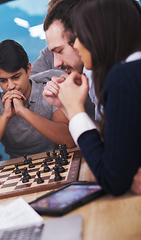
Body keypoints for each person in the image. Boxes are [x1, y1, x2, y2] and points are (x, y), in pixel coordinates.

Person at [43, 0, 141, 196]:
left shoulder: (122, 77)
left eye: (79, 35)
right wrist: (68, 108)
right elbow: (116, 142)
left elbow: (113, 178)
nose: (76, 44)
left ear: (100, 34)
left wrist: (76, 112)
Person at [0, 39, 75, 159]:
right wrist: (5, 117)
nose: (10, 86)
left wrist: (23, 112)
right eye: (3, 80)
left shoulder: (49, 91)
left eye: (16, 77)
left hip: (59, 162)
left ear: (28, 69)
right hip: (17, 171)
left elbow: (69, 140)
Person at [34, 0, 97, 121]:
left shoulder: (116, 76)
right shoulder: (92, 75)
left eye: (59, 51)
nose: (56, 64)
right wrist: (65, 107)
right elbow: (103, 136)